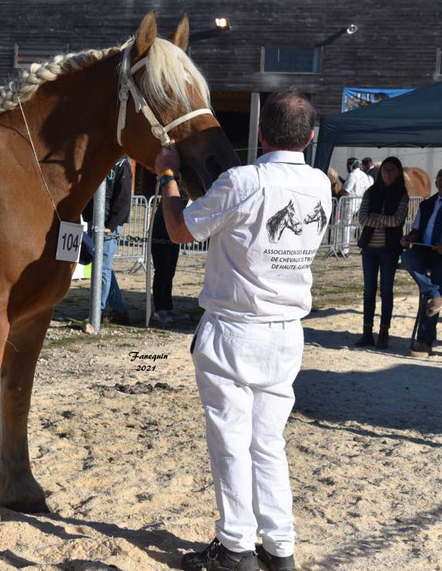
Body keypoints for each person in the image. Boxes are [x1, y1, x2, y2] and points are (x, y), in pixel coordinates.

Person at [154, 91, 330, 571]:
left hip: (235, 326)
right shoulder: (320, 185)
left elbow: (178, 229)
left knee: (231, 439)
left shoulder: (243, 180)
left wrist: (167, 173)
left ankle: (235, 546)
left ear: (260, 133)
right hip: (287, 328)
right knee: (268, 442)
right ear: (311, 137)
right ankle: (279, 546)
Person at [355, 157, 409, 349]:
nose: (387, 173)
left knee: (386, 290)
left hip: (390, 249)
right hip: (369, 247)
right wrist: (383, 219)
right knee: (368, 290)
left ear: (398, 173)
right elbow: (362, 218)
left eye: (392, 170)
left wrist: (375, 218)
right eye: (385, 169)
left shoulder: (402, 194)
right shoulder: (370, 192)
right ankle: (367, 331)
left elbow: (397, 220)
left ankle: (384, 331)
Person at [401, 166, 442, 357]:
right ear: (436, 183)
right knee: (407, 256)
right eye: (440, 177)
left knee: (434, 289)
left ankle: (424, 342)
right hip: (426, 251)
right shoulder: (427, 204)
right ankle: (436, 295)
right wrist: (409, 237)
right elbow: (416, 229)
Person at [83, 156, 132, 324]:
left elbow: (123, 198)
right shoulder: (100, 162)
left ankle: (98, 311)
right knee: (103, 267)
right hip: (96, 221)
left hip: (108, 224)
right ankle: (118, 309)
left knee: (102, 268)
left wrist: (111, 225)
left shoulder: (122, 165)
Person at [150, 187, 183, 323]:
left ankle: (168, 306)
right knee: (162, 272)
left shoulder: (183, 195)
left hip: (173, 236)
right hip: (160, 235)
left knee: (170, 273)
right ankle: (159, 309)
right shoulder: (170, 195)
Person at [339, 158, 372, 257]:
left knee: (345, 225)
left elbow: (346, 191)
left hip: (351, 203)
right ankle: (363, 244)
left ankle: (345, 250)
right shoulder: (364, 175)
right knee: (361, 225)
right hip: (362, 203)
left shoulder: (352, 175)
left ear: (350, 165)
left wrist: (338, 192)